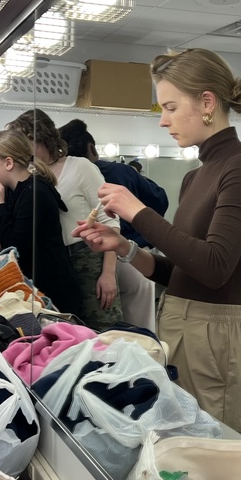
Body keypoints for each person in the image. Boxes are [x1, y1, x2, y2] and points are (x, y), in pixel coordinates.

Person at [75, 48, 241, 435]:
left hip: (213, 335)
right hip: (178, 319)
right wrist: (124, 247)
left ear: (206, 103)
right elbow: (182, 270)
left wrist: (137, 212)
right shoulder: (195, 176)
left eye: (170, 107)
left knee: (213, 454)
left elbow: (214, 268)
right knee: (178, 445)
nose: (164, 121)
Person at [0, 130, 83, 318]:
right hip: (30, 288)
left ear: (8, 163)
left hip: (52, 293)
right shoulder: (12, 191)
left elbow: (14, 246)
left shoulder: (36, 193)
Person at [8, 109, 122, 329]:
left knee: (100, 328)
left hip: (87, 257)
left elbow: (111, 224)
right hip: (53, 262)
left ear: (39, 137)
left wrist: (108, 274)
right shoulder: (30, 175)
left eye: (23, 141)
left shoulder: (80, 167)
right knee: (65, 332)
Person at [58, 118, 169, 331]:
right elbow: (160, 200)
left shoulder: (62, 176)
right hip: (132, 260)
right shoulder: (119, 172)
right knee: (141, 330)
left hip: (91, 264)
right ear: (92, 148)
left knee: (103, 332)